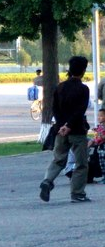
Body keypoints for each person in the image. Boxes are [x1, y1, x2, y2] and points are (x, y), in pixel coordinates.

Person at [39, 56, 92, 203]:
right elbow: (80, 111)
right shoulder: (83, 89)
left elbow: (55, 108)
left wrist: (62, 125)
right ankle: (77, 193)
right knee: (81, 163)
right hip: (77, 130)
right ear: (83, 71)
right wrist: (69, 125)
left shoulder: (60, 87)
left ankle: (47, 180)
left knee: (58, 159)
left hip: (60, 130)